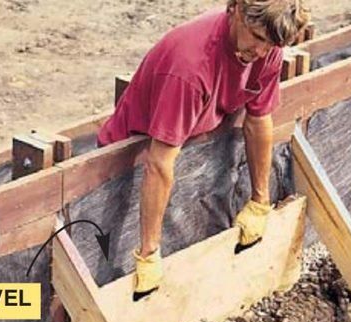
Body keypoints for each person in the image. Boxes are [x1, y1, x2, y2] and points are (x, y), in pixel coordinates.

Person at [97, 0, 310, 297]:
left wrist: (260, 201)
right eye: (258, 38)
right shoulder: (190, 68)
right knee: (109, 264)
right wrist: (148, 253)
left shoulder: (267, 48)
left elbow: (259, 120)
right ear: (234, 8)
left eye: (271, 44)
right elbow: (158, 164)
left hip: (193, 151)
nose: (261, 52)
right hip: (133, 169)